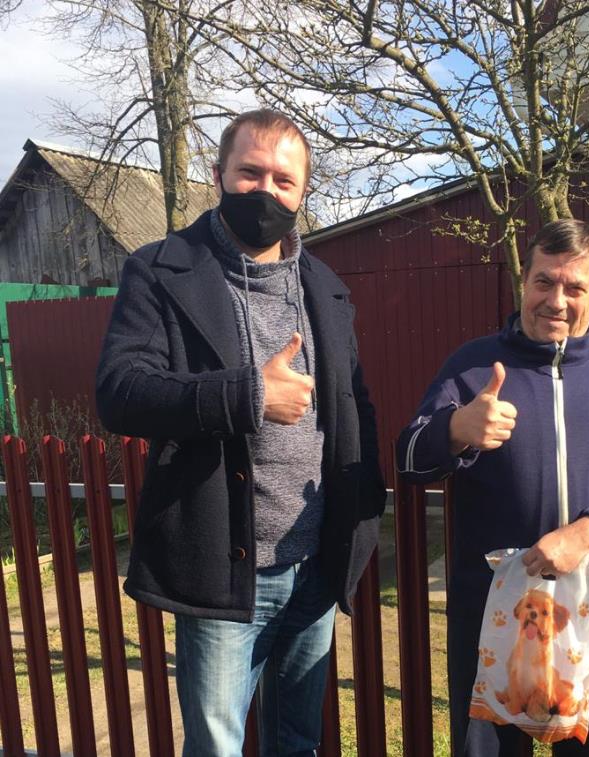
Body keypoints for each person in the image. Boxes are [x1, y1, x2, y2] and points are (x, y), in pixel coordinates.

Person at [96, 108, 386, 756]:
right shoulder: (161, 270)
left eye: (284, 180)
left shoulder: (326, 288)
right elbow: (121, 392)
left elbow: (355, 405)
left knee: (297, 741)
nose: (266, 191)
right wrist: (249, 395)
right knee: (217, 746)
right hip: (223, 571)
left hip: (314, 563)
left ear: (303, 192)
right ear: (219, 173)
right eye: (250, 172)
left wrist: (363, 505)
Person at [396, 219, 589, 756]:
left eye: (574, 287)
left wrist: (588, 532)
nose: (556, 300)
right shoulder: (471, 368)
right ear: (522, 281)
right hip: (492, 616)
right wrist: (455, 430)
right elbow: (407, 460)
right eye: (544, 282)